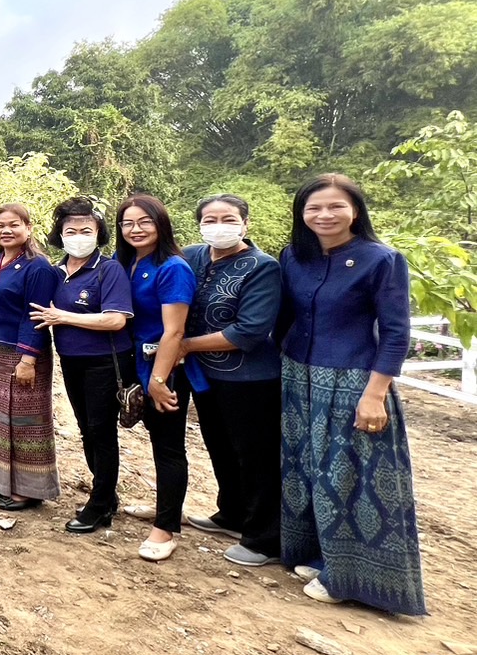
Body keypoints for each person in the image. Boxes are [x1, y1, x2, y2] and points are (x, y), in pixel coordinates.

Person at [278, 174, 424, 614]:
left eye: (335, 206)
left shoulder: (381, 260)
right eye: (314, 208)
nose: (324, 215)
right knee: (306, 471)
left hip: (353, 382)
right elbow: (283, 318)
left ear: (355, 211)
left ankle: (352, 580)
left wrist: (376, 394)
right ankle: (319, 556)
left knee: (347, 477)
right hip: (297, 376)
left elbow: (396, 334)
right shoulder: (293, 256)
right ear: (302, 214)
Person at [181, 194, 283, 567]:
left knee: (255, 455)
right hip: (205, 376)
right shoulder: (192, 256)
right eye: (210, 220)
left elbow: (249, 331)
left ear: (245, 223)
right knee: (220, 446)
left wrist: (184, 345)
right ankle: (232, 514)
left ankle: (265, 539)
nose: (218, 227)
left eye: (228, 219)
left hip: (251, 379)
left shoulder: (262, 267)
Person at [29, 198, 134, 533]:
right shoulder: (57, 271)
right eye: (71, 231)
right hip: (72, 361)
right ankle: (107, 497)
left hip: (105, 363)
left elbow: (116, 320)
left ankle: (99, 505)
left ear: (98, 233)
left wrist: (63, 317)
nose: (78, 236)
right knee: (86, 429)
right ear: (60, 234)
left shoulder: (108, 270)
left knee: (101, 432)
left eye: (86, 230)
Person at [114, 194, 200, 561]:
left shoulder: (173, 268)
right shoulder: (126, 262)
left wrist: (159, 380)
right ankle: (165, 505)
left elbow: (174, 331)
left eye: (144, 222)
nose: (135, 229)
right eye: (127, 223)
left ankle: (166, 528)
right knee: (155, 440)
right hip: (134, 364)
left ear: (160, 223)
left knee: (168, 447)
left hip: (164, 368)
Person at [0, 203, 59, 510]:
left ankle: (29, 490)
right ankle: (3, 482)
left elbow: (36, 317)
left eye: (14, 225)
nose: (6, 230)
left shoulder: (38, 267)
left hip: (23, 354)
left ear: (28, 228)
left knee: (25, 422)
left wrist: (27, 360)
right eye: (0, 225)